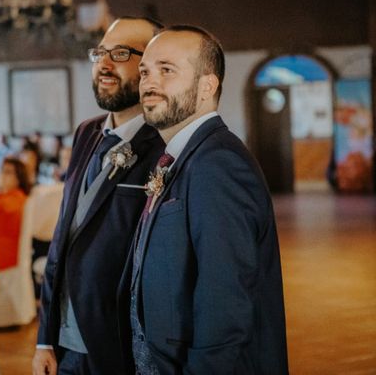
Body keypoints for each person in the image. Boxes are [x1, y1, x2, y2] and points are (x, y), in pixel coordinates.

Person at [123, 25, 288, 374]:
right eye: (145, 72)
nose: (149, 83)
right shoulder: (183, 156)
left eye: (167, 70)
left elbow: (225, 305)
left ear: (207, 86)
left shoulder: (219, 164)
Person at [33, 17, 165, 375]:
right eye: (100, 53)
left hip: (116, 344)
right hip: (63, 341)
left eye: (120, 53)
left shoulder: (165, 145)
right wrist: (45, 338)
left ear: (150, 68)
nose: (104, 64)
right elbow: (64, 235)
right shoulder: (87, 132)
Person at [0, 157, 31, 271]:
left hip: (6, 265)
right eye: (2, 170)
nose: (2, 174)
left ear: (19, 178)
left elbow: (6, 207)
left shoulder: (19, 198)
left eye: (8, 172)